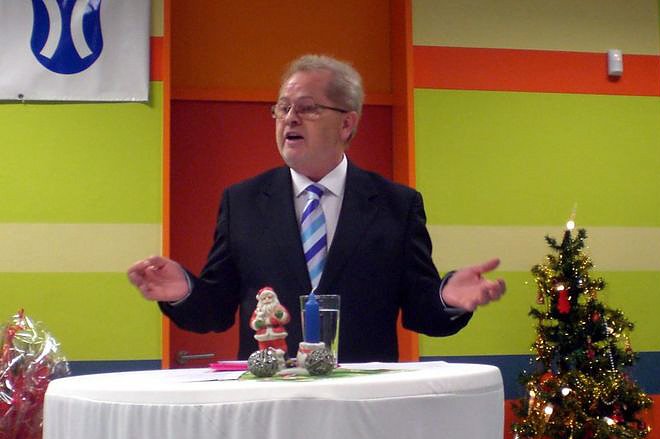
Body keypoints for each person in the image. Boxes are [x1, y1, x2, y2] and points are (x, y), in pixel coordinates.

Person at [127, 54, 506, 362]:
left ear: (346, 124)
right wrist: (183, 291)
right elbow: (215, 310)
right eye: (282, 108)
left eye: (307, 108)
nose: (289, 118)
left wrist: (447, 299)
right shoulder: (242, 202)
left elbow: (423, 312)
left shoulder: (396, 205)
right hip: (270, 400)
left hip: (361, 404)